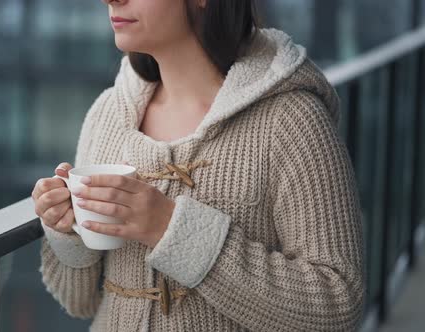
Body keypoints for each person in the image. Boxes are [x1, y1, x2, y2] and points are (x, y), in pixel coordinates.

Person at [31, 0, 365, 331]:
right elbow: (79, 303)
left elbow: (338, 306)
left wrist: (169, 228)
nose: (111, 0)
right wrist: (66, 231)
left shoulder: (292, 121)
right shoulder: (109, 115)